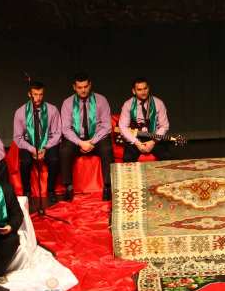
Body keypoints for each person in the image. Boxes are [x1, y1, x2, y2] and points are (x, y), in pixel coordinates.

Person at [59, 72, 113, 201]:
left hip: (96, 138)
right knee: (64, 150)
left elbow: (107, 126)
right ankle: (68, 187)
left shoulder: (101, 100)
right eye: (79, 87)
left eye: (85, 86)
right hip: (77, 138)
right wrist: (80, 142)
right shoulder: (67, 103)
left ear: (90, 85)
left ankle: (107, 186)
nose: (83, 90)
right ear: (74, 87)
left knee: (107, 149)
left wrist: (92, 141)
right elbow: (66, 128)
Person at [13, 80, 62, 199]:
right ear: (29, 94)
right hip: (28, 143)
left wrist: (45, 147)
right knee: (25, 162)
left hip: (48, 143)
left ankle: (50, 190)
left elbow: (57, 133)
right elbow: (18, 137)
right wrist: (32, 149)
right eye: (35, 94)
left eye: (41, 94)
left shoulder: (52, 110)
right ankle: (27, 191)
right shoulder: (20, 112)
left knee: (54, 159)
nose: (38, 98)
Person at [118, 77, 171, 162]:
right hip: (136, 138)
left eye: (145, 88)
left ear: (148, 88)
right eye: (139, 89)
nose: (143, 92)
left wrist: (153, 142)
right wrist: (137, 143)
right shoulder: (128, 104)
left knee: (166, 156)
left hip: (154, 137)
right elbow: (123, 127)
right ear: (134, 91)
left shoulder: (159, 103)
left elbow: (164, 126)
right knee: (127, 158)